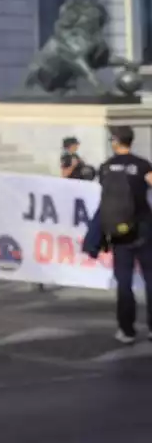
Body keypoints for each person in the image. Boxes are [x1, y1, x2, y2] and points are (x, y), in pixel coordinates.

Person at [96, 125, 152, 343]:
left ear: (115, 142)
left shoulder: (106, 167)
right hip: (144, 228)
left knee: (124, 282)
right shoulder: (142, 165)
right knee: (150, 278)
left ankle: (126, 330)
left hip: (119, 232)